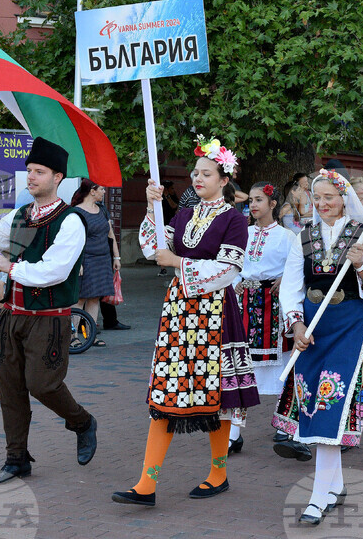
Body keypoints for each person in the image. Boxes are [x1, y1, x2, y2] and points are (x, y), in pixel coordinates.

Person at [112, 136, 257, 507]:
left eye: (206, 173)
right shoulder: (185, 214)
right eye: (195, 173)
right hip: (179, 310)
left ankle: (218, 473)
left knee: (219, 395)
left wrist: (179, 262)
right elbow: (153, 248)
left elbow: (229, 270)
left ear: (224, 179)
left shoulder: (234, 220)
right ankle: (146, 483)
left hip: (216, 312)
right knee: (166, 389)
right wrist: (151, 208)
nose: (198, 178)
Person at [0, 138, 97, 482]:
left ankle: (82, 421)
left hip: (48, 319)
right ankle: (16, 458)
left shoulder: (70, 220)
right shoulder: (22, 215)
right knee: (9, 389)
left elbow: (55, 271)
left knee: (43, 385)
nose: (31, 177)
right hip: (11, 315)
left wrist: (10, 268)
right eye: (29, 170)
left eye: (39, 171)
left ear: (57, 177)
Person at [274, 169, 363, 526]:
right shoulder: (304, 236)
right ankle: (335, 485)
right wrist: (296, 324)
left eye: (330, 197)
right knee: (312, 403)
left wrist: (361, 266)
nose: (323, 203)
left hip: (349, 327)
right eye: (318, 197)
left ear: (344, 198)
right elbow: (291, 285)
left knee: (330, 402)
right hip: (312, 329)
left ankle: (317, 497)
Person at [230, 182, 295, 451]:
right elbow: (232, 264)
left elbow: (296, 268)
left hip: (275, 306)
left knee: (284, 366)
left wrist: (285, 277)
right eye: (251, 201)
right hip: (246, 304)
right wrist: (236, 282)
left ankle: (284, 424)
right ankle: (234, 433)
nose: (253, 205)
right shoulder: (242, 233)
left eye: (259, 200)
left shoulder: (287, 237)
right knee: (241, 366)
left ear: (273, 204)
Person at [71, 179, 120, 347]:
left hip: (102, 259)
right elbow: (74, 240)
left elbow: (110, 235)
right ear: (92, 191)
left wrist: (116, 257)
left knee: (95, 298)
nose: (104, 192)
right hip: (85, 260)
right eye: (102, 189)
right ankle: (72, 336)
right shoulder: (76, 212)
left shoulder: (102, 210)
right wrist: (78, 263)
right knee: (80, 299)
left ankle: (90, 335)